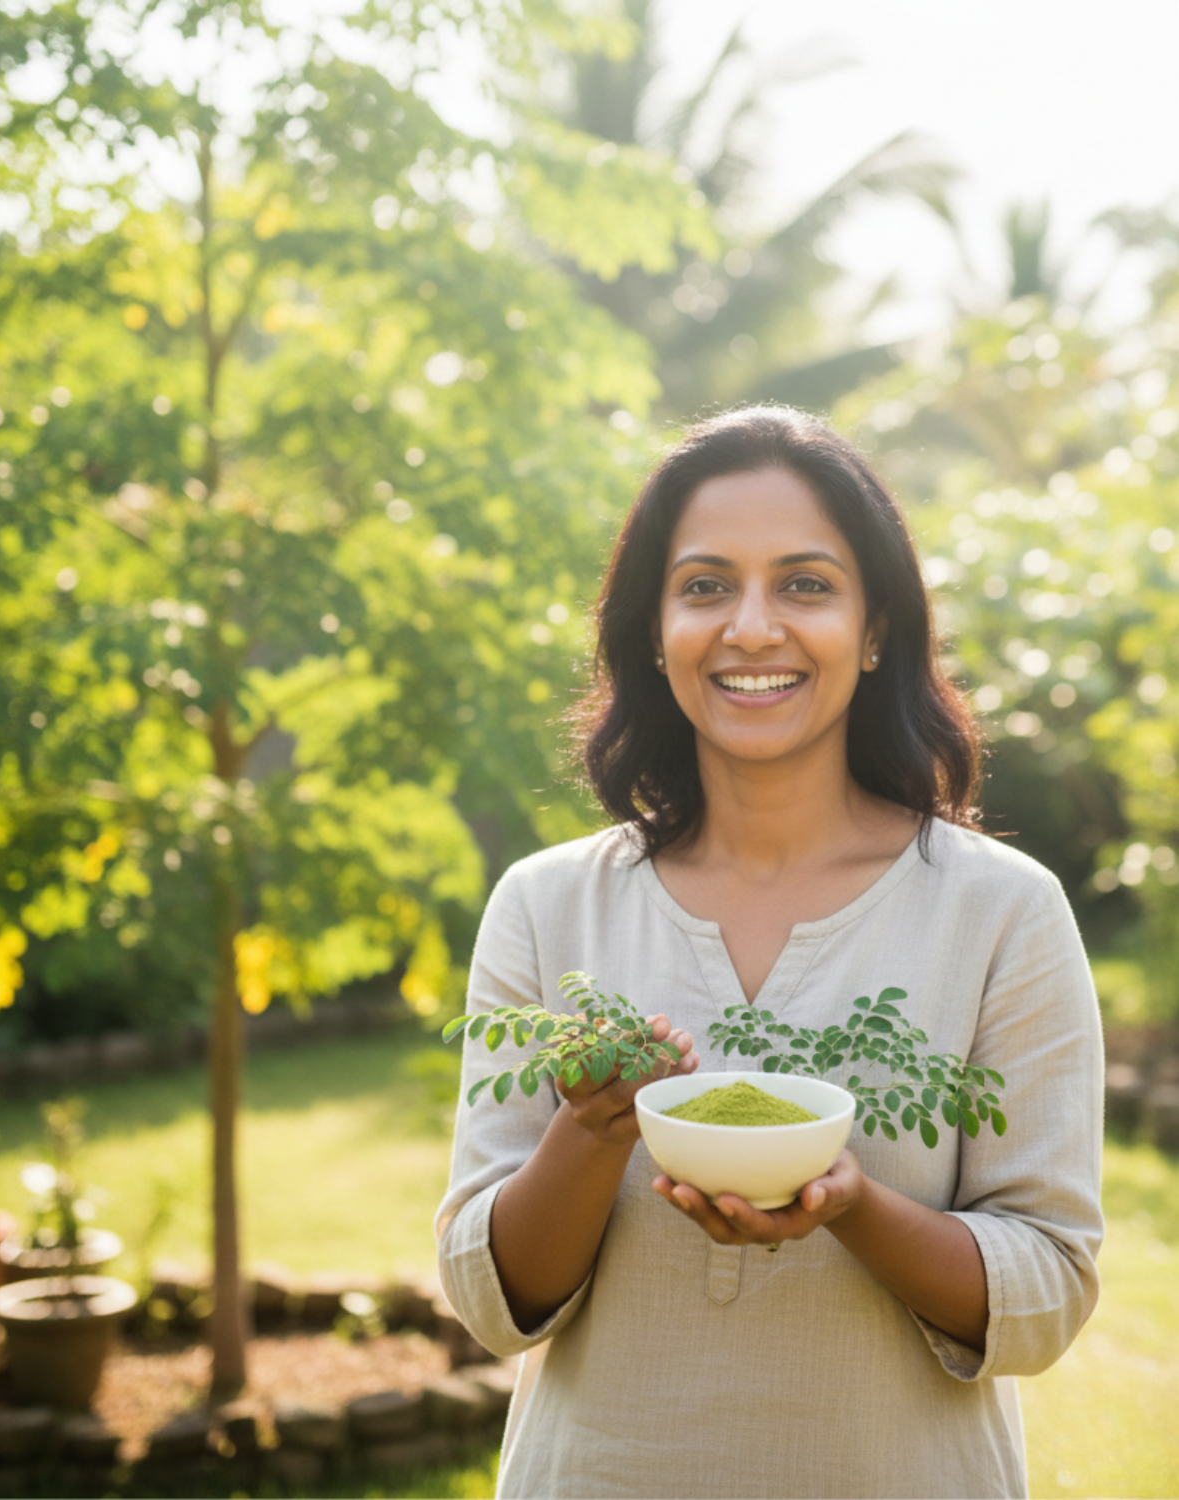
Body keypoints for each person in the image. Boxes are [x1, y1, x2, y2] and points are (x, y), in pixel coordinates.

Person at [435, 407, 1103, 1500]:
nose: (751, 627)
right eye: (705, 586)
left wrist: (853, 1207)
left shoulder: (1001, 912)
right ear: (654, 630)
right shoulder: (549, 906)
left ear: (875, 626)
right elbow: (494, 1299)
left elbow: (1046, 1290)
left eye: (804, 584)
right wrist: (592, 1130)